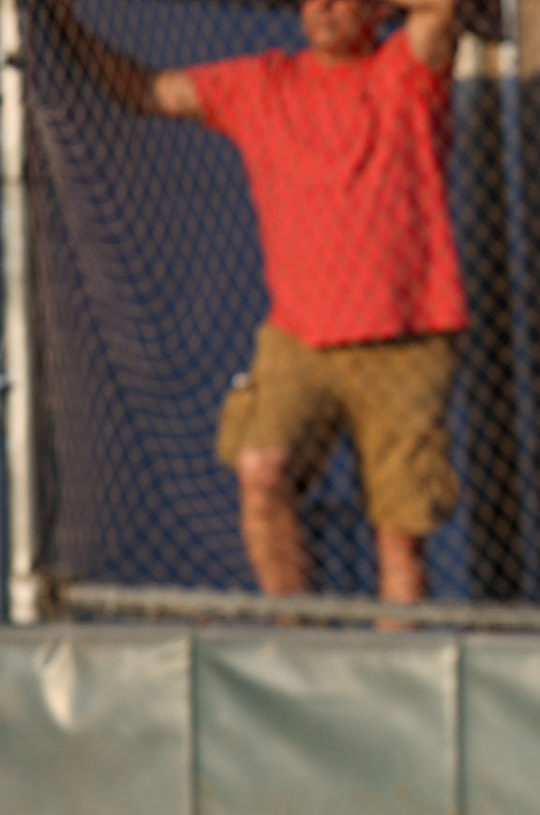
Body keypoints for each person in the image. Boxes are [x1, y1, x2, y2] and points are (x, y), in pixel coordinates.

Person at [47, 0, 467, 605]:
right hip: (299, 337)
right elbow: (148, 91)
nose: (320, 9)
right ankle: (292, 647)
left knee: (398, 538)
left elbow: (439, 12)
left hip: (405, 334)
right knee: (261, 470)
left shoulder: (405, 68)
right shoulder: (263, 83)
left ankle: (398, 678)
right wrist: (65, 29)